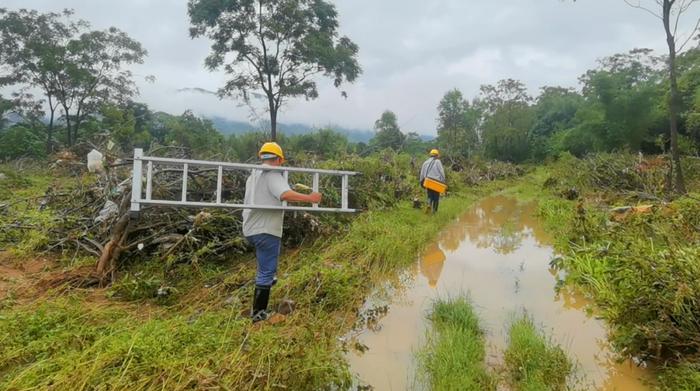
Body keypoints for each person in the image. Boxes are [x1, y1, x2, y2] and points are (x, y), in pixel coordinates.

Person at [243, 142, 322, 322]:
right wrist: (310, 198)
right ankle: (259, 314)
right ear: (278, 159)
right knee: (266, 272)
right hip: (266, 229)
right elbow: (284, 194)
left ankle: (269, 282)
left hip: (250, 228)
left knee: (267, 268)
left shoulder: (253, 175)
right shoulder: (272, 173)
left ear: (261, 156)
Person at [419, 149, 446, 214]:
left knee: (429, 195)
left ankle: (429, 204)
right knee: (436, 197)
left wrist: (421, 182)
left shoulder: (425, 162)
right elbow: (442, 172)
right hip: (436, 182)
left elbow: (422, 174)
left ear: (430, 155)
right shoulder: (438, 161)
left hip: (428, 181)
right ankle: (434, 211)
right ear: (437, 155)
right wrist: (443, 181)